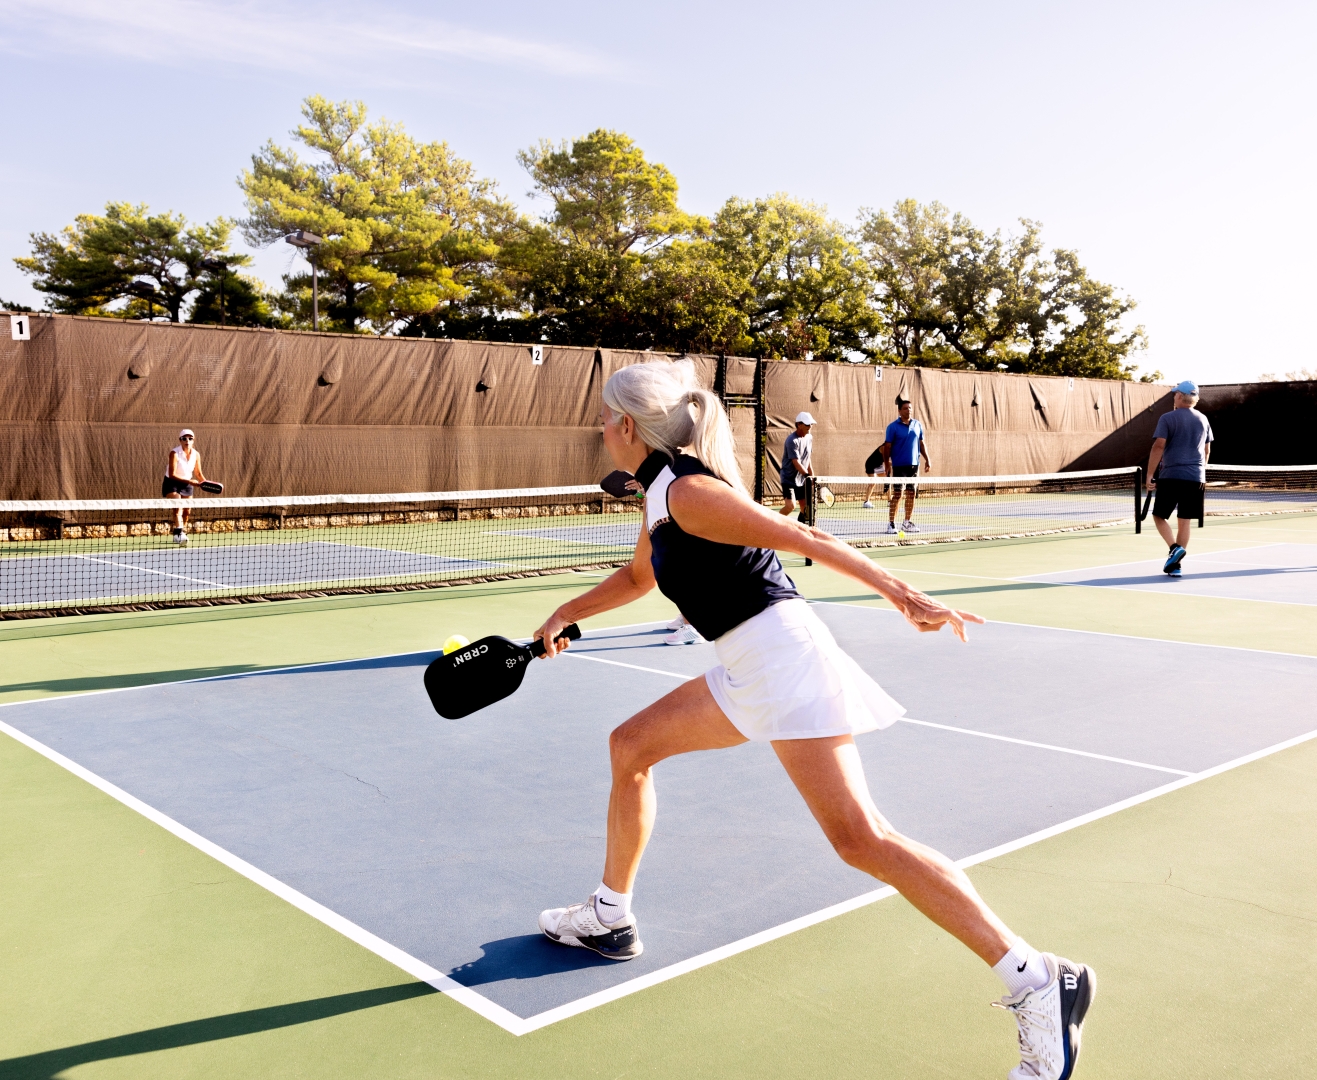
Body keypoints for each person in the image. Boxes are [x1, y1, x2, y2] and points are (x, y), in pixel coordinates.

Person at [533, 360, 1095, 1080]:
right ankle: (609, 916)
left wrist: (906, 596)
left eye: (601, 420)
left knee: (863, 841)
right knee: (631, 745)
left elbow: (814, 542)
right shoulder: (658, 496)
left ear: (624, 426)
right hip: (747, 666)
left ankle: (1038, 979)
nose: (598, 431)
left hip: (784, 662)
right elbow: (641, 577)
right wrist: (563, 612)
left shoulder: (695, 492)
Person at [1146, 380, 1213, 578]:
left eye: (1174, 394)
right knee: (1185, 522)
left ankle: (1174, 548)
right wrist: (1200, 471)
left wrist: (1150, 474)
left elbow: (1158, 446)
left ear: (1178, 396)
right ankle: (1176, 566)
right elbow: (1207, 450)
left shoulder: (1167, 418)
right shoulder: (1203, 419)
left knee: (1159, 516)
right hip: (1195, 478)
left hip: (1171, 476)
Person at [867, 397, 930, 533]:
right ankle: (891, 524)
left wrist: (927, 459)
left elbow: (921, 443)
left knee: (911, 494)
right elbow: (887, 447)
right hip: (899, 466)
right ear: (899, 411)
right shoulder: (892, 427)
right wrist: (887, 464)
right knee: (897, 494)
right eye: (905, 408)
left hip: (914, 466)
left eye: (910, 408)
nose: (909, 411)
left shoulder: (917, 425)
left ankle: (906, 523)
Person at [163, 428, 210, 545]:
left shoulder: (196, 454)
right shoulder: (174, 453)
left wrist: (207, 484)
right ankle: (179, 534)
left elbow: (198, 474)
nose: (187, 441)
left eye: (190, 438)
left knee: (187, 511)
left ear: (193, 440)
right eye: (184, 438)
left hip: (187, 484)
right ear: (180, 440)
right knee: (178, 507)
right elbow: (172, 474)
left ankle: (178, 532)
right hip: (171, 482)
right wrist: (190, 482)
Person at [778, 412, 816, 519]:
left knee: (806, 509)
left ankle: (801, 530)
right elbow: (796, 462)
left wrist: (811, 476)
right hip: (788, 479)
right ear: (799, 424)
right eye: (807, 424)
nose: (810, 427)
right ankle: (772, 523)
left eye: (811, 424)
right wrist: (807, 475)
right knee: (790, 506)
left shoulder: (809, 438)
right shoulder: (792, 441)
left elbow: (807, 459)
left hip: (802, 479)